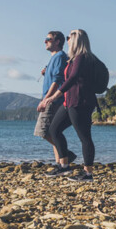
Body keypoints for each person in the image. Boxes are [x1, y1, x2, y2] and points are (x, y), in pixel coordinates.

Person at [40, 29, 97, 179]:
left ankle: (88, 173)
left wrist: (53, 96)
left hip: (80, 102)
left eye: (69, 37)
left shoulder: (82, 57)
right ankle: (64, 166)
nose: (67, 40)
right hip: (69, 101)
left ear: (77, 39)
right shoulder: (72, 59)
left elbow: (71, 79)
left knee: (85, 137)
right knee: (54, 129)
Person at [35, 31, 69, 167]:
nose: (45, 41)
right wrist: (46, 72)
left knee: (43, 131)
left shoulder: (60, 56)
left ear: (57, 42)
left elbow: (57, 81)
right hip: (52, 99)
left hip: (53, 100)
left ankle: (65, 155)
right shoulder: (55, 58)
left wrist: (46, 99)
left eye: (48, 39)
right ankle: (60, 163)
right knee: (51, 132)